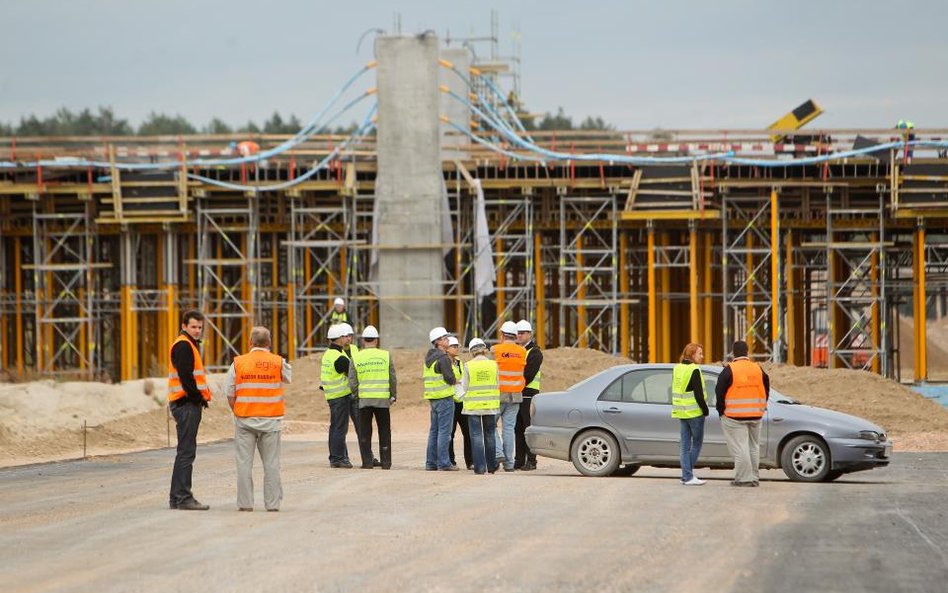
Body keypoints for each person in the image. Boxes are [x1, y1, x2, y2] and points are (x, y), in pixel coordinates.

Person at [223, 326, 290, 511]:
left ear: (250, 342)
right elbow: (288, 378)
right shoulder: (278, 362)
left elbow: (229, 393)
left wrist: (238, 410)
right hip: (271, 421)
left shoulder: (238, 362)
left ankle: (245, 504)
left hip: (245, 420)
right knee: (272, 465)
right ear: (269, 343)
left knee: (244, 465)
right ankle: (273, 504)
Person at [168, 309, 212, 511]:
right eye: (193, 327)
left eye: (200, 327)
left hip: (184, 403)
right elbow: (187, 377)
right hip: (186, 404)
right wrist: (198, 398)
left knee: (183, 452)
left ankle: (176, 498)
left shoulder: (187, 344)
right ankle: (184, 497)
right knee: (187, 453)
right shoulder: (184, 345)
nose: (197, 331)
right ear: (184, 326)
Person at [715, 340, 770, 487]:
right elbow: (766, 387)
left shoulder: (730, 369)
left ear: (733, 353)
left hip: (734, 416)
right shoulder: (758, 368)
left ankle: (743, 479)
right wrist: (762, 405)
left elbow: (719, 392)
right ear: (747, 352)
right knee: (754, 447)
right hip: (756, 415)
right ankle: (754, 477)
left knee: (740, 448)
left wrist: (721, 411)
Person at [349, 325, 396, 470]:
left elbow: (352, 380)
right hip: (382, 400)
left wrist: (358, 395)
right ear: (376, 340)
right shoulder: (385, 355)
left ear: (363, 341)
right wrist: (393, 395)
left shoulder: (356, 357)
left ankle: (367, 462)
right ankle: (386, 463)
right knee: (384, 431)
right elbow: (392, 377)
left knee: (365, 432)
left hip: (364, 400)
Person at [460, 338, 500, 475]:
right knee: (490, 435)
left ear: (472, 351)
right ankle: (491, 467)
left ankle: (480, 468)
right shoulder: (494, 365)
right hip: (490, 405)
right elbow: (497, 383)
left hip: (473, 406)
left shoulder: (468, 366)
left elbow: (464, 387)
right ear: (484, 349)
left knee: (476, 436)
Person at [672, 343, 710, 486]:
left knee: (684, 446)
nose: (702, 356)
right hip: (695, 413)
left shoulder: (678, 368)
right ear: (692, 355)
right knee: (697, 444)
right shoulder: (694, 369)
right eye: (700, 353)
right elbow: (699, 395)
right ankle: (687, 475)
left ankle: (686, 476)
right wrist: (705, 410)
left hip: (682, 412)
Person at [320, 323, 357, 468]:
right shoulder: (340, 358)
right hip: (341, 396)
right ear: (339, 338)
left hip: (332, 396)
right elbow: (352, 375)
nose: (347, 339)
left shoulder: (328, 354)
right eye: (344, 336)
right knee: (340, 428)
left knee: (335, 427)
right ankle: (337, 458)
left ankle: (338, 456)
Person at [492, 320, 527, 472]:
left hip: (499, 394)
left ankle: (498, 453)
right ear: (515, 336)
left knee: (490, 425)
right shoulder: (522, 351)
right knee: (509, 429)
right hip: (516, 395)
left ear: (502, 335)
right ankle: (509, 464)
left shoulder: (495, 350)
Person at [423, 326, 459, 471]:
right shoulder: (443, 358)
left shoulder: (429, 358)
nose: (447, 340)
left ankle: (431, 463)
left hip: (434, 399)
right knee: (444, 432)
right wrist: (457, 379)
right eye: (445, 338)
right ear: (438, 342)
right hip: (444, 399)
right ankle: (444, 462)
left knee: (434, 432)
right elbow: (450, 379)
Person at [514, 319, 543, 471]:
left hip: (529, 395)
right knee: (517, 429)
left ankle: (531, 461)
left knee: (528, 429)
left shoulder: (535, 352)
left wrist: (515, 385)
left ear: (529, 334)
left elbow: (528, 375)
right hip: (517, 394)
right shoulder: (518, 351)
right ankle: (519, 460)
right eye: (517, 333)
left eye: (522, 333)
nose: (518, 336)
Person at [446, 335, 472, 470]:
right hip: (450, 400)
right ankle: (450, 460)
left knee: (468, 432)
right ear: (447, 348)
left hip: (461, 400)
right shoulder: (444, 362)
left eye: (457, 346)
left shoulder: (459, 362)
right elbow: (452, 379)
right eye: (453, 346)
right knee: (450, 433)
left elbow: (462, 378)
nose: (456, 349)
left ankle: (470, 461)